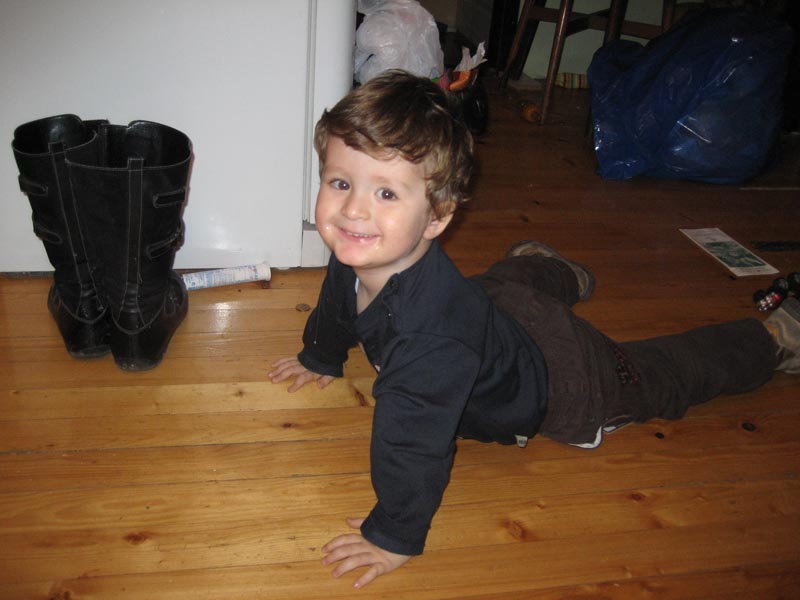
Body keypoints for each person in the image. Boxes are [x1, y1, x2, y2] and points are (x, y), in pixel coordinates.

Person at [268, 70, 799, 588]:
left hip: (565, 378)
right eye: (340, 183)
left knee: (661, 376)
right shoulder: (359, 250)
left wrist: (393, 535)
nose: (353, 210)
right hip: (497, 310)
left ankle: (772, 340)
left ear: (437, 217)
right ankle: (549, 269)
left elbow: (412, 445)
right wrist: (321, 354)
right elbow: (337, 303)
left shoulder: (430, 341)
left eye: (386, 194)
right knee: (491, 290)